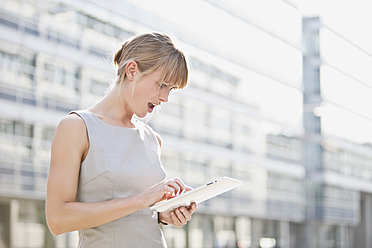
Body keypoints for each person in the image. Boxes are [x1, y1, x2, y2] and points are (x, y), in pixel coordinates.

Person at [45, 31, 197, 247]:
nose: (165, 98)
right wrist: (140, 200)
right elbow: (57, 219)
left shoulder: (153, 139)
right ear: (132, 70)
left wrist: (163, 214)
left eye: (171, 89)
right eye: (162, 84)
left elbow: (141, 213)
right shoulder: (77, 127)